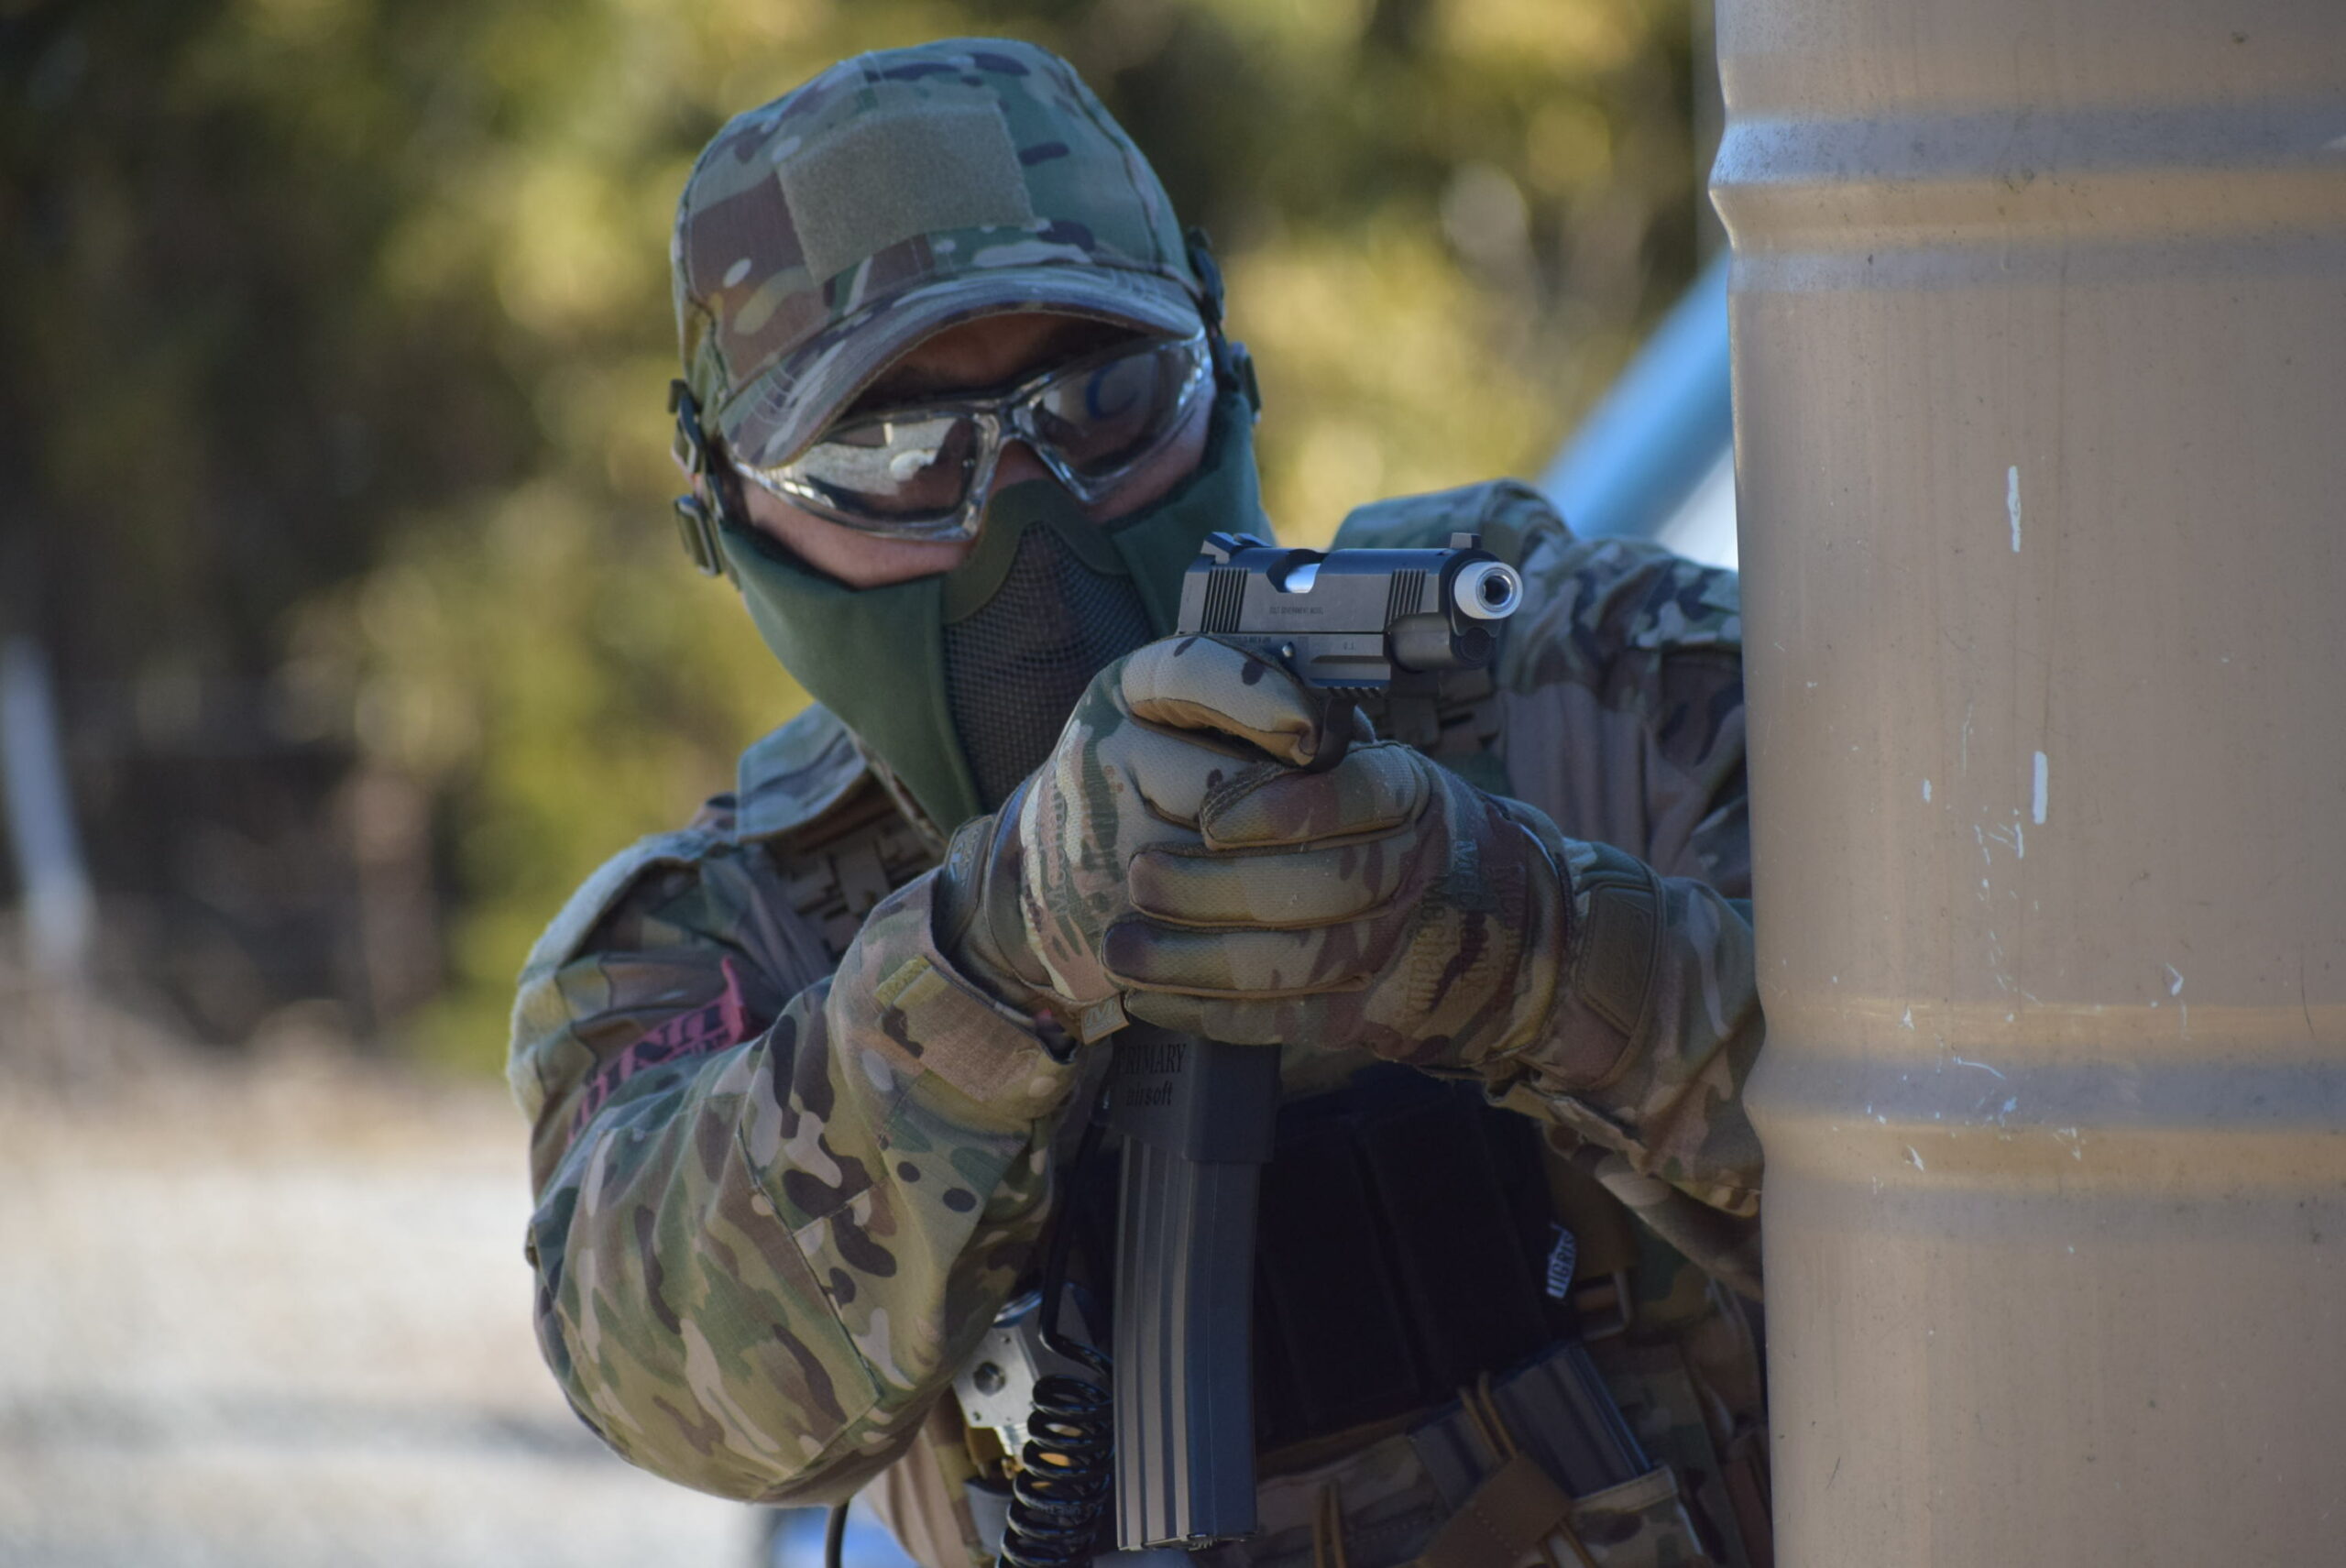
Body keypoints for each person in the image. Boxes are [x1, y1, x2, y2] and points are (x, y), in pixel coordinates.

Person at [510, 37, 1768, 1568]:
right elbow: (671, 1378)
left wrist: (1512, 939)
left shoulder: (1583, 681)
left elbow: (1976, 1125)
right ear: (731, 515)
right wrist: (994, 964)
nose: (1025, 521)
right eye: (894, 457)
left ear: (1223, 376)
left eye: (1105, 400)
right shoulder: (721, 931)